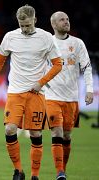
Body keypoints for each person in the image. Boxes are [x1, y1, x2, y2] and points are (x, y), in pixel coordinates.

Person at [0, 5, 62, 180]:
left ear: (34, 20)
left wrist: (40, 82)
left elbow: (58, 64)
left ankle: (35, 175)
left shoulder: (46, 38)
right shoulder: (10, 37)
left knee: (35, 134)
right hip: (15, 92)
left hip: (36, 93)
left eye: (27, 25)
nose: (25, 29)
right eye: (22, 26)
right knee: (10, 130)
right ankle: (18, 171)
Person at [45, 11, 94, 180]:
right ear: (53, 24)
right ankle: (59, 171)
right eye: (62, 20)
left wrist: (89, 89)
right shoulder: (47, 43)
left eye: (67, 19)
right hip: (51, 96)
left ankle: (62, 171)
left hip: (71, 98)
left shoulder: (77, 43)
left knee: (67, 135)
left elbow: (86, 67)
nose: (66, 22)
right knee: (56, 133)